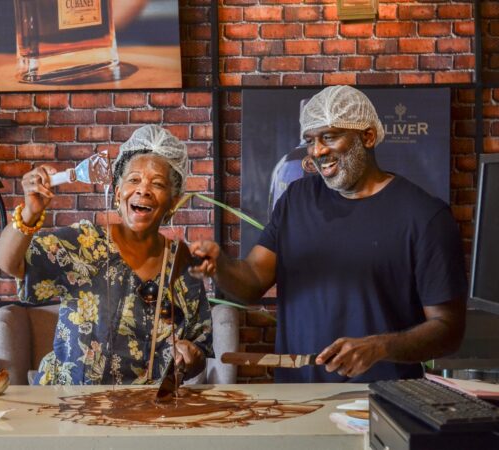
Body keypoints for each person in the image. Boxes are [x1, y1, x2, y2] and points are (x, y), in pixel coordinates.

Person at [190, 85, 467, 383]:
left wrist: (381, 347)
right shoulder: (296, 201)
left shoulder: (424, 215)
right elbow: (253, 281)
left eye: (330, 137)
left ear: (368, 137)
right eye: (310, 140)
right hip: (298, 400)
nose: (318, 151)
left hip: (385, 404)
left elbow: (448, 329)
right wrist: (221, 268)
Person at [0, 125, 213, 385]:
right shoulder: (83, 244)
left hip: (144, 412)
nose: (143, 189)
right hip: (70, 407)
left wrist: (191, 355)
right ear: (118, 193)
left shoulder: (182, 265)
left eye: (157, 183)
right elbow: (8, 263)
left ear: (173, 202)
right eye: (133, 180)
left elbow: (198, 351)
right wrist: (30, 211)